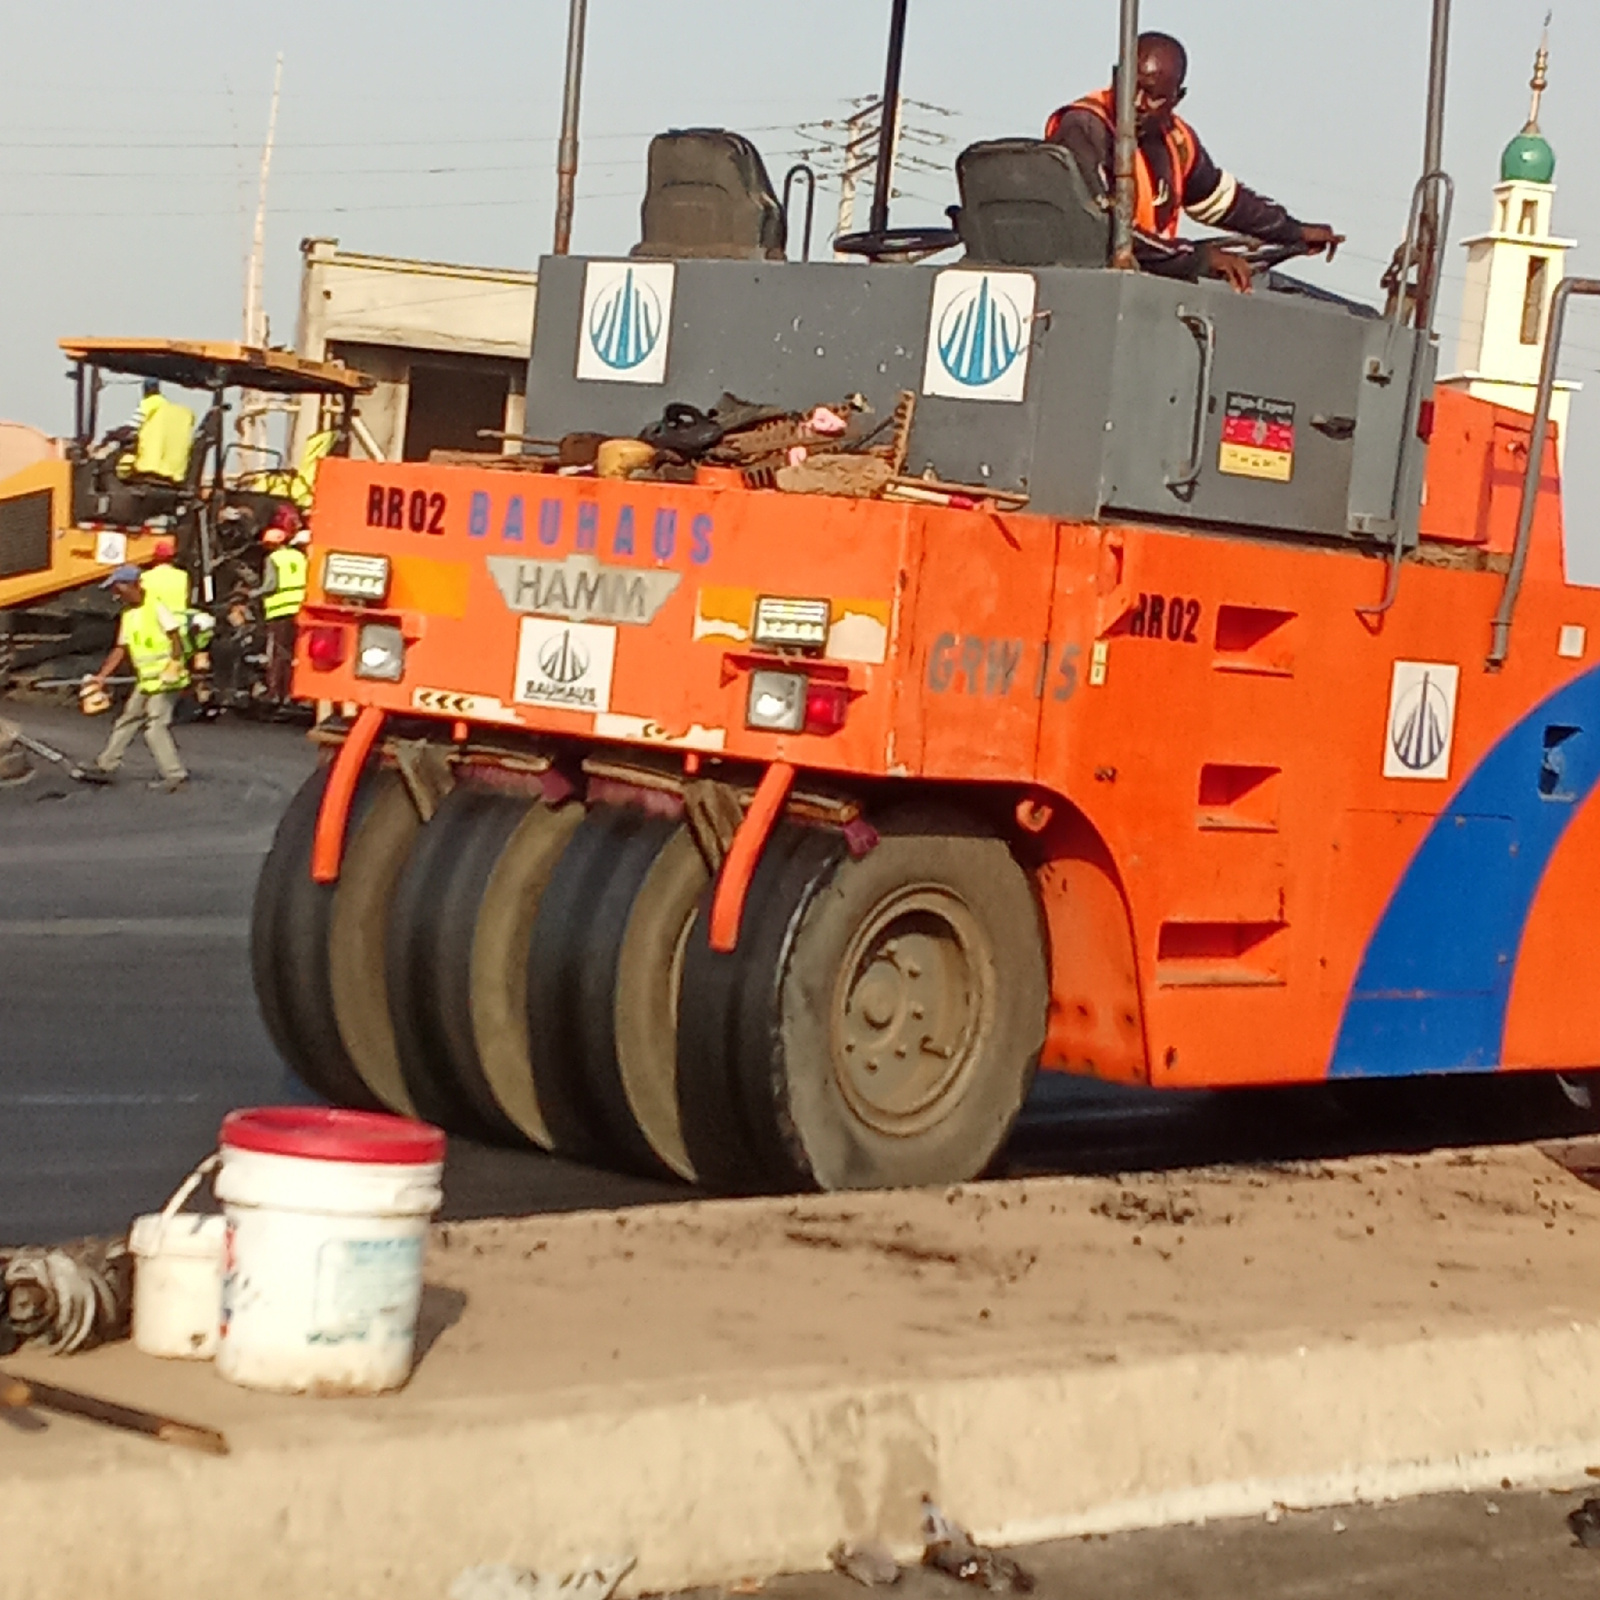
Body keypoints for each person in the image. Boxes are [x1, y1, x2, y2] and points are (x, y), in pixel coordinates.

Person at [1046, 32, 1343, 292]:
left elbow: (1223, 201)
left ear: (1178, 97)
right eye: (1130, 87)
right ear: (1115, 76)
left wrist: (1294, 231)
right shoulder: (1085, 127)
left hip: (1145, 285)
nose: (1137, 104)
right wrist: (1200, 259)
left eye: (1154, 96)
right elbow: (1102, 229)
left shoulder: (1177, 141)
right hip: (1092, 287)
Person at [82, 566, 190, 792]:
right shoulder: (128, 615)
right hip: (147, 680)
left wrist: (174, 664)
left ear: (133, 585)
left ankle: (174, 775)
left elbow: (175, 637)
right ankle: (106, 765)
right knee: (128, 719)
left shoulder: (156, 606)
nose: (115, 594)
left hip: (166, 679)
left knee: (155, 727)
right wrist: (102, 676)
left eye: (117, 588)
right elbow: (121, 649)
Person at [252, 508, 310, 702]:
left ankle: (275, 692)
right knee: (295, 652)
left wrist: (252, 593)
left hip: (280, 610)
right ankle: (293, 691)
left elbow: (270, 585)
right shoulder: (299, 557)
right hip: (300, 609)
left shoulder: (273, 559)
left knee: (278, 654)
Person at [105, 381, 195, 486]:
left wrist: (111, 436)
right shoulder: (168, 408)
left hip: (146, 466)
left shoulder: (149, 403)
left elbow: (131, 427)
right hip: (173, 473)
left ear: (145, 390)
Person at [141, 537, 189, 617]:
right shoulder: (183, 576)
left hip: (151, 620)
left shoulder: (145, 576)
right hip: (178, 620)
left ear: (155, 558)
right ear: (172, 558)